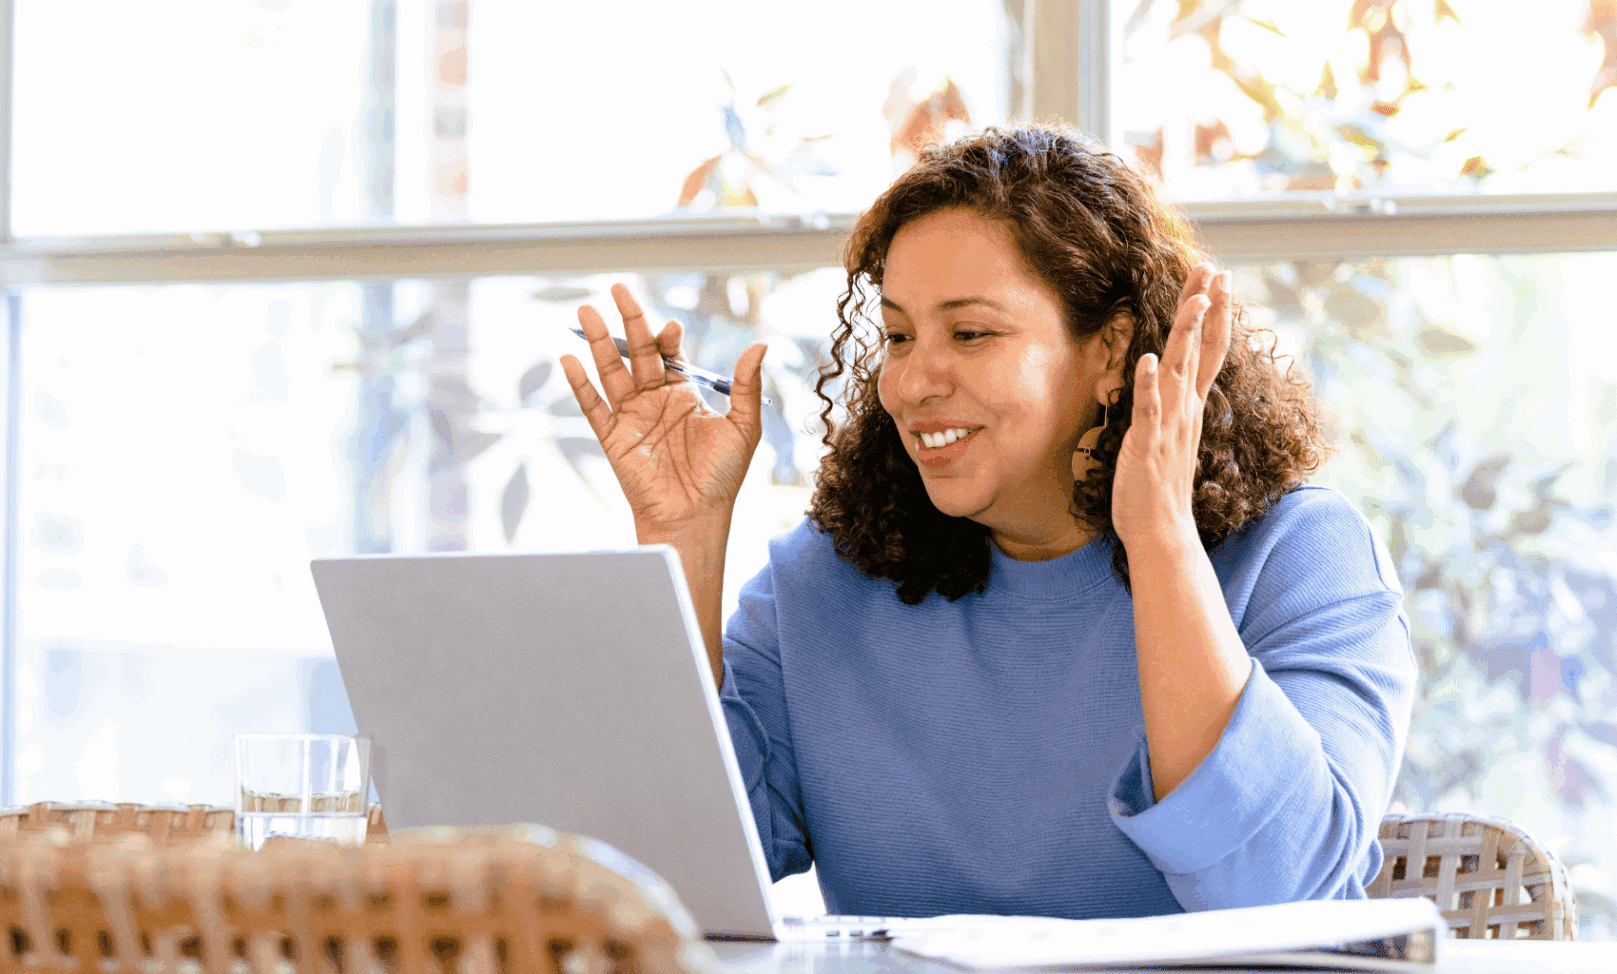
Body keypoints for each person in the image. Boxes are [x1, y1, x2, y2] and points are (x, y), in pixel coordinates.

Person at [559, 125, 1414, 919]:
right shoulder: (824, 581)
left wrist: (1158, 537)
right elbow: (658, 882)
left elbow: (1279, 892)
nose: (912, 383)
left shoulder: (1301, 558)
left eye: (969, 333)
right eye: (897, 337)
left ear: (1111, 352)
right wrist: (685, 539)